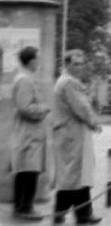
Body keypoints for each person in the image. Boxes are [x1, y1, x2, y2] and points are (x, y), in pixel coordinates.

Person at [53, 49, 103, 224]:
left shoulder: (68, 81)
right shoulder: (68, 83)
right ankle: (62, 213)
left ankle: (83, 213)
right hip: (72, 135)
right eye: (76, 64)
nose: (80, 67)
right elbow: (81, 107)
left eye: (82, 64)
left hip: (73, 134)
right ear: (67, 64)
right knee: (73, 176)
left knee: (79, 175)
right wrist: (94, 122)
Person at [11, 46, 51, 221]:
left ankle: (22, 206)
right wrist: (44, 108)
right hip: (29, 134)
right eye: (37, 59)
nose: (39, 63)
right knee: (29, 172)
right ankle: (25, 208)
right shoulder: (25, 80)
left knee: (26, 171)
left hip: (29, 133)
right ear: (31, 61)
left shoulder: (24, 78)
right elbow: (25, 108)